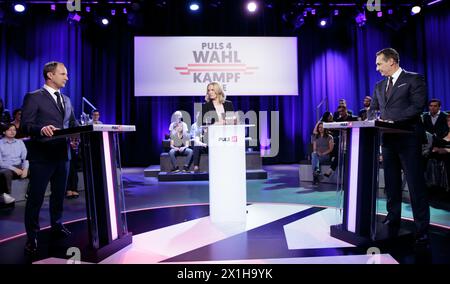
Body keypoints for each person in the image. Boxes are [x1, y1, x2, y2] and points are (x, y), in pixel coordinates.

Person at [370, 48, 430, 245]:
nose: (377, 68)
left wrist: (390, 120)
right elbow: (373, 111)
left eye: (380, 63)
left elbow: (417, 106)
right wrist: (371, 121)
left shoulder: (414, 79)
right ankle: (392, 217)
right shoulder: (379, 86)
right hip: (388, 141)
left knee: (415, 185)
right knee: (391, 184)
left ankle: (422, 228)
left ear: (392, 61)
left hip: (409, 139)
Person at [21, 61, 78, 254]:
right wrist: (40, 129)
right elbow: (25, 126)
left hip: (63, 156)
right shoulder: (34, 97)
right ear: (50, 75)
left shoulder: (67, 100)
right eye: (63, 74)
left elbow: (73, 123)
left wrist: (76, 137)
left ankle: (57, 225)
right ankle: (32, 236)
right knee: (36, 198)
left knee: (58, 196)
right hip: (42, 156)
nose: (67, 77)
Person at [0, 124, 29, 205]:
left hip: (19, 165)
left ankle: (30, 193)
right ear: (4, 132)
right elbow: (1, 163)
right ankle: (7, 196)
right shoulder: (0, 143)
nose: (12, 132)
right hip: (6, 167)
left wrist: (25, 169)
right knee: (6, 173)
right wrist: (14, 169)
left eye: (14, 130)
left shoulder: (20, 142)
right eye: (10, 130)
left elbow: (25, 157)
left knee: (36, 169)